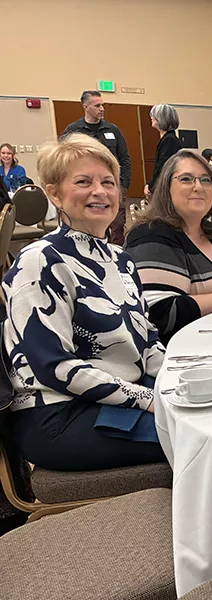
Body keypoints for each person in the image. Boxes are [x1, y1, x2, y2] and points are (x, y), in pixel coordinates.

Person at [1, 134, 166, 471]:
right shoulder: (40, 260)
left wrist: (175, 381)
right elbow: (55, 367)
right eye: (83, 182)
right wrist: (147, 399)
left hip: (121, 394)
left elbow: (146, 340)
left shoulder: (121, 259)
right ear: (54, 193)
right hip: (59, 413)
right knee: (199, 438)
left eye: (108, 182)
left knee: (211, 414)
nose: (100, 191)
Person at [125, 149, 212, 345]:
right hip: (181, 352)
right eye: (186, 179)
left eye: (206, 180)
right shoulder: (151, 237)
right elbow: (162, 313)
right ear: (166, 188)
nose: (198, 187)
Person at [63, 91, 132, 244]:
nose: (102, 109)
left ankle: (115, 256)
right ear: (85, 106)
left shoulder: (112, 130)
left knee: (117, 225)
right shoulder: (73, 130)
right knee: (90, 224)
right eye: (97, 105)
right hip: (86, 188)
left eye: (103, 105)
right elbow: (63, 161)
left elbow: (125, 158)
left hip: (113, 186)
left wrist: (124, 185)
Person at [145, 104, 184, 197]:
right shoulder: (169, 138)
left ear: (162, 118)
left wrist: (150, 185)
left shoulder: (169, 140)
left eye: (154, 115)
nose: (151, 117)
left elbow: (162, 166)